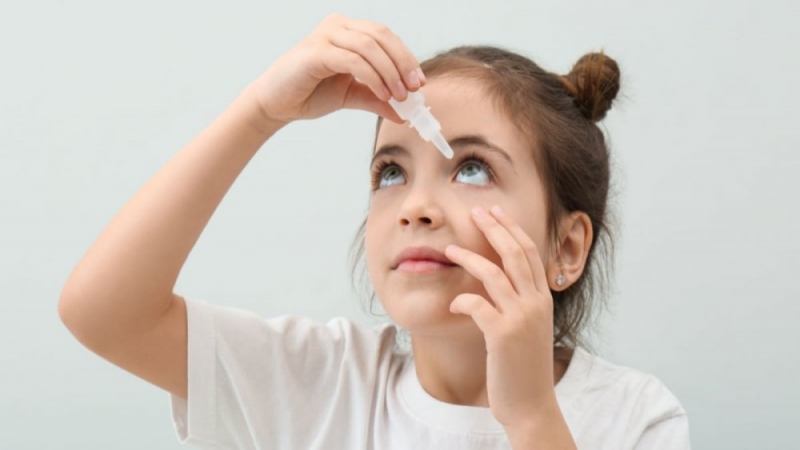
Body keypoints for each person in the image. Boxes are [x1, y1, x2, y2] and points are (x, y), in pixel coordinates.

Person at [58, 13, 690, 450]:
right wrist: (260, 112)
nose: (416, 206)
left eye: (472, 168)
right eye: (391, 172)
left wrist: (529, 417)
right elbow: (104, 315)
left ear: (567, 248)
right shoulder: (320, 384)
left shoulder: (634, 419)